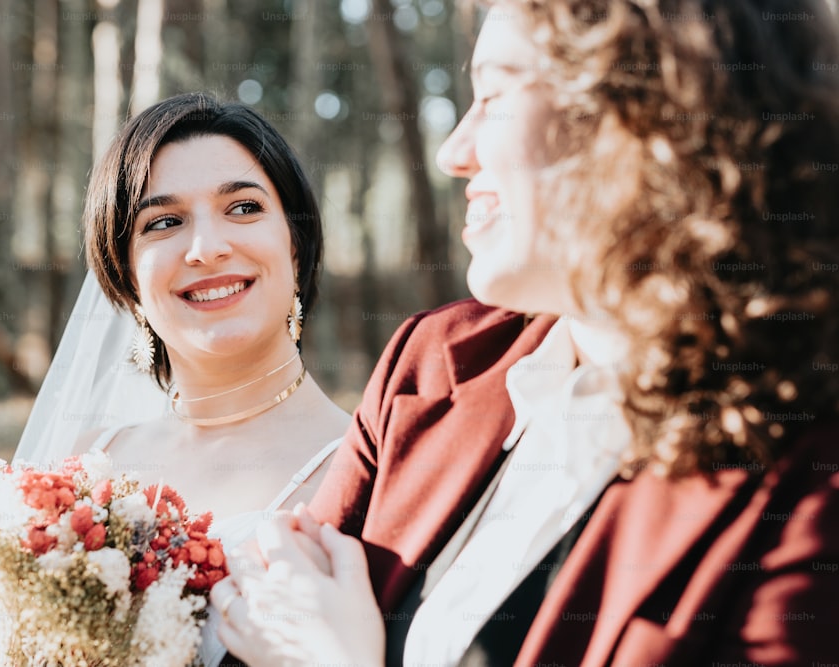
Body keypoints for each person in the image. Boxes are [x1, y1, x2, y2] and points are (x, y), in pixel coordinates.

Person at [210, 1, 839, 665]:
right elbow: (264, 626)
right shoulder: (428, 364)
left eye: (496, 94)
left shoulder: (807, 492)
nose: (454, 153)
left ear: (654, 113)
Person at [0, 93, 350, 667]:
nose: (207, 249)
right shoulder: (86, 467)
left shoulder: (361, 470)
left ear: (296, 241)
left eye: (244, 209)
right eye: (164, 222)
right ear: (126, 277)